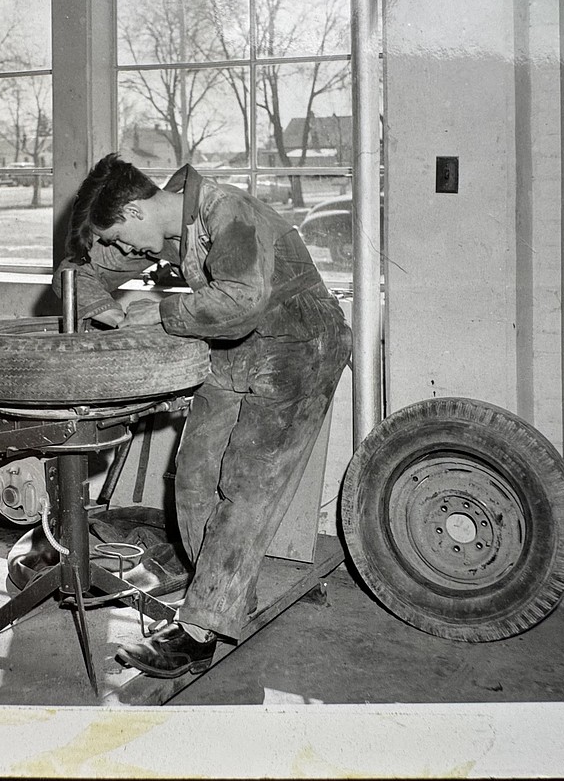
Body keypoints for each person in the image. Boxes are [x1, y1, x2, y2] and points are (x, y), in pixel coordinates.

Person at [57, 153, 352, 679]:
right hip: (237, 351)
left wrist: (162, 311)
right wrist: (99, 305)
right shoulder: (160, 230)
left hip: (299, 346)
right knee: (193, 478)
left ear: (134, 210)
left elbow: (242, 300)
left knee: (245, 488)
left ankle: (198, 631)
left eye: (122, 237)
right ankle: (224, 600)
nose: (125, 252)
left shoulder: (227, 210)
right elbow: (81, 268)